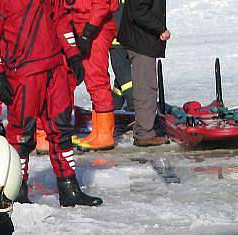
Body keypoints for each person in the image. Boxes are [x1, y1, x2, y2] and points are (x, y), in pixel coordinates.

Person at [0, 0, 103, 207]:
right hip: (23, 73)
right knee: (21, 135)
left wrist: (73, 54)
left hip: (55, 68)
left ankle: (69, 188)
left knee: (61, 129)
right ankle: (16, 189)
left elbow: (60, 19)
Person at [117, 0, 170, 147]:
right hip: (141, 41)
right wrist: (160, 29)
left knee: (143, 84)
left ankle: (143, 127)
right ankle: (144, 133)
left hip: (140, 38)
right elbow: (138, 11)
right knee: (146, 87)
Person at [70, 0, 119, 151]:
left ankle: (104, 134)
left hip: (96, 28)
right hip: (83, 25)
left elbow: (101, 5)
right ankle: (98, 132)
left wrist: (87, 33)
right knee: (91, 79)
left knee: (97, 79)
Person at [109, 0, 134, 113]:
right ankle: (116, 102)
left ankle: (133, 105)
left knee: (124, 75)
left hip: (116, 39)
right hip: (129, 38)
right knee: (122, 75)